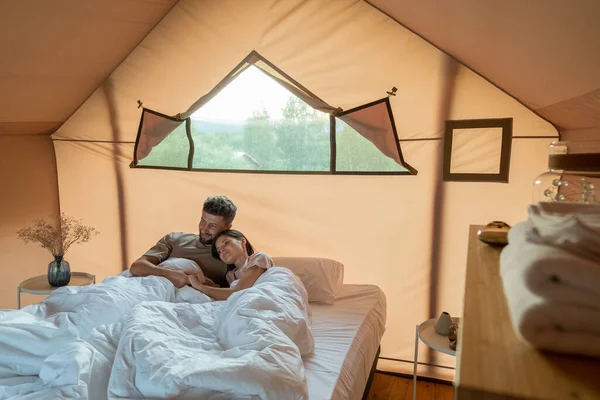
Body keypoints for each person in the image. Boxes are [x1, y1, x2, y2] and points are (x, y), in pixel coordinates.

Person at [129, 195, 237, 288]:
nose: (204, 229)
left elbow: (235, 292)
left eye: (213, 225)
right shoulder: (175, 239)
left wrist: (204, 285)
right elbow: (137, 267)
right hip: (151, 286)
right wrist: (171, 275)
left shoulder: (230, 255)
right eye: (203, 221)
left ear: (228, 227)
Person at [188, 230, 273, 300]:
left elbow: (238, 292)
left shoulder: (259, 257)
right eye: (219, 251)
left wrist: (200, 286)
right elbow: (227, 295)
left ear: (243, 241)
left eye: (226, 243)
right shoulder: (230, 275)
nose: (222, 250)